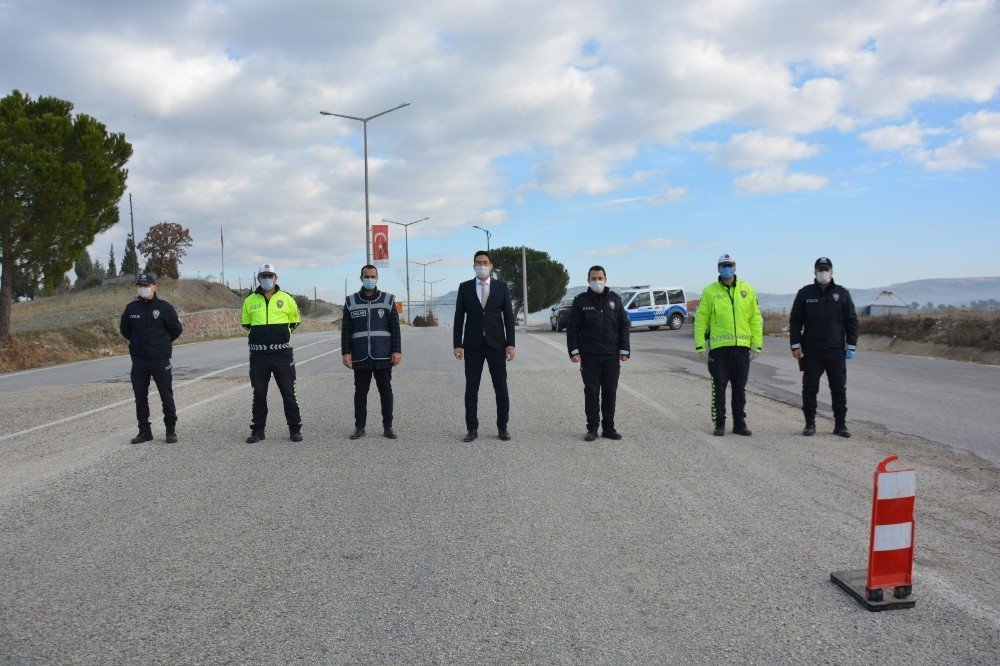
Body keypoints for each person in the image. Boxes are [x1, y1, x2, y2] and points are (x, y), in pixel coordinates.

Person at [693, 252, 763, 437]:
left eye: (729, 265)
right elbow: (701, 319)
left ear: (735, 267)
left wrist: (757, 344)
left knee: (740, 388)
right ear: (718, 269)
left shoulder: (747, 289)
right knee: (719, 388)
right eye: (723, 266)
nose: (727, 268)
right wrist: (700, 345)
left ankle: (740, 423)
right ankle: (720, 423)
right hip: (719, 350)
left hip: (741, 348)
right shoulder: (710, 291)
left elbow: (755, 318)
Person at [789, 257, 859, 438]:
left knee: (838, 388)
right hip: (811, 351)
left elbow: (851, 321)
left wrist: (851, 345)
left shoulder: (842, 294)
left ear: (832, 271)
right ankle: (810, 424)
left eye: (826, 269)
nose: (823, 272)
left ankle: (840, 425)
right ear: (814, 272)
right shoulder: (805, 293)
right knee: (810, 387)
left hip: (836, 351)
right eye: (820, 269)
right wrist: (795, 345)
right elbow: (795, 321)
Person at [453, 250, 517, 442]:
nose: (481, 266)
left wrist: (511, 344)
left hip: (496, 344)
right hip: (472, 345)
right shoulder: (464, 288)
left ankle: (502, 427)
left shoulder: (501, 287)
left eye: (485, 262)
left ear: (491, 266)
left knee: (501, 387)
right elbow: (458, 317)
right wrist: (458, 344)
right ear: (473, 265)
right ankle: (472, 428)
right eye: (478, 262)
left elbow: (509, 318)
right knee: (471, 388)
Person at [566, 266, 631, 441]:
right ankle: (592, 428)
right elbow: (572, 328)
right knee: (592, 392)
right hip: (589, 356)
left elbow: (624, 326)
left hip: (611, 355)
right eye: (593, 278)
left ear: (605, 279)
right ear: (588, 280)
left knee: (610, 391)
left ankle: (609, 428)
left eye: (600, 278)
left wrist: (625, 350)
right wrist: (573, 350)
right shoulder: (581, 301)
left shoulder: (615, 300)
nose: (597, 281)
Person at [241, 263, 303, 443]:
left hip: (282, 356)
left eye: (270, 276)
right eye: (263, 276)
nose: (267, 279)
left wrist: (281, 335)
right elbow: (246, 323)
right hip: (258, 356)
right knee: (259, 393)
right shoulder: (249, 300)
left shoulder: (287, 298)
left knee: (288, 392)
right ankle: (258, 431)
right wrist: (260, 337)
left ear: (276, 278)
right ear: (258, 278)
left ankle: (294, 430)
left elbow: (295, 320)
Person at [119, 273, 183, 444]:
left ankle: (170, 430)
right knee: (140, 397)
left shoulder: (165, 308)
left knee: (166, 395)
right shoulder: (131, 308)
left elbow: (176, 329)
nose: (143, 288)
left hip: (160, 360)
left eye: (146, 285)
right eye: (140, 285)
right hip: (139, 360)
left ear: (154, 287)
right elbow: (125, 330)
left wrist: (162, 343)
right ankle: (144, 431)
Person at [342, 264, 402, 439]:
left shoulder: (388, 300)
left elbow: (395, 329)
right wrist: (346, 352)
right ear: (361, 278)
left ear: (377, 278)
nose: (370, 279)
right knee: (360, 392)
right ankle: (360, 426)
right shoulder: (351, 301)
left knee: (386, 391)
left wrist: (396, 350)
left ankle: (388, 426)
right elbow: (346, 330)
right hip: (360, 355)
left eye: (373, 276)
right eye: (366, 276)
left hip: (383, 354)